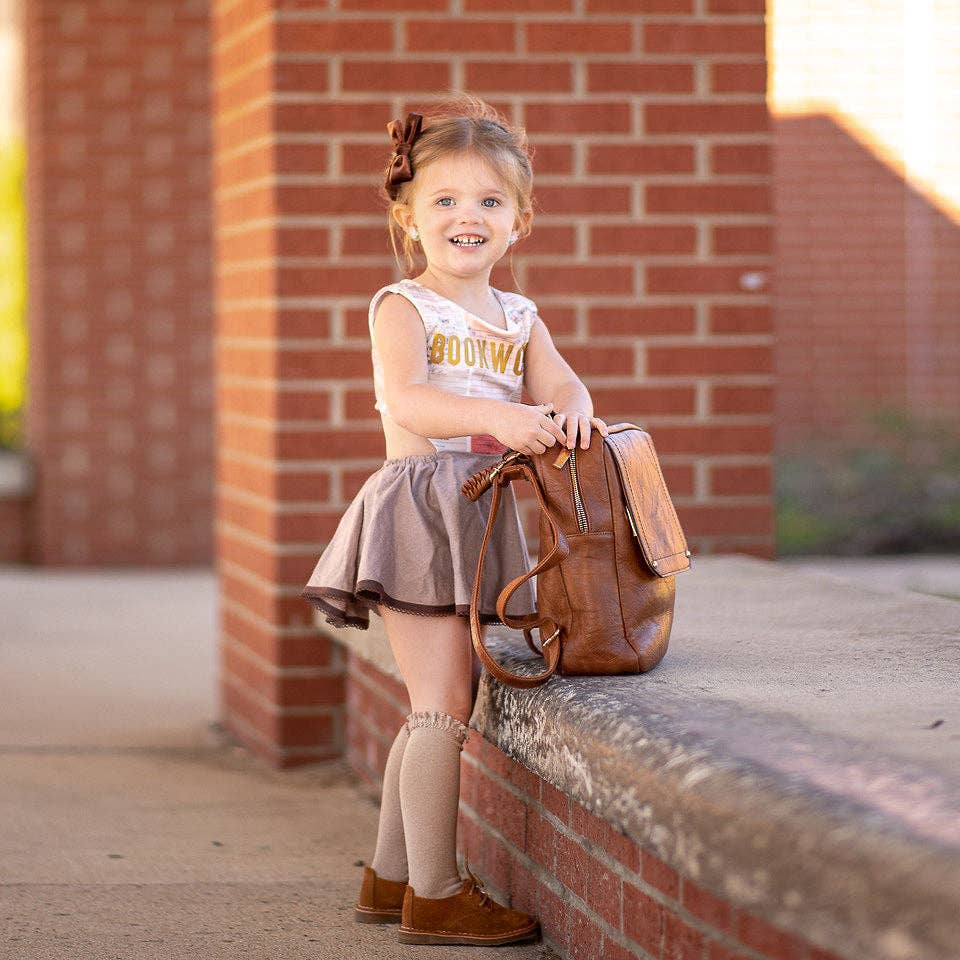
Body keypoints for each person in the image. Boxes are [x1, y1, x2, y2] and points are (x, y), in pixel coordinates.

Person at [299, 93, 609, 947]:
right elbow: (411, 400)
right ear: (410, 217)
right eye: (444, 200)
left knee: (429, 707)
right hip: (422, 508)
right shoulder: (404, 304)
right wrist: (504, 421)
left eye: (488, 202)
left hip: (483, 515)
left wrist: (570, 407)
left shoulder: (519, 317)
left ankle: (388, 876)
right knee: (443, 705)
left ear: (520, 221)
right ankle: (435, 894)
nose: (466, 217)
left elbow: (561, 384)